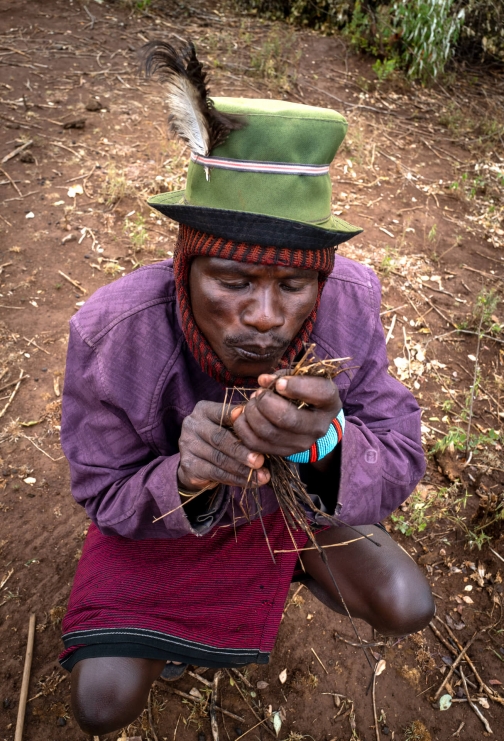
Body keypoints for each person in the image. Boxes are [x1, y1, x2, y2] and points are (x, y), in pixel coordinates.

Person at [59, 42, 434, 736]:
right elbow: (103, 491)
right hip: (161, 529)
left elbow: (401, 452)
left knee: (407, 600)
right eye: (232, 281)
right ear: (185, 267)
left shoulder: (351, 302)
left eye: (292, 286)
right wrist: (184, 477)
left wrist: (325, 443)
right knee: (100, 701)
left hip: (285, 512)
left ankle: (285, 567)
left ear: (319, 279)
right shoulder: (112, 333)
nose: (265, 315)